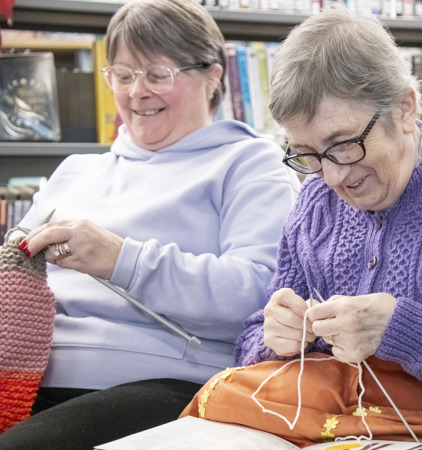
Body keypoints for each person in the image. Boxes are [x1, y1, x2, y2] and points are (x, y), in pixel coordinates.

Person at [180, 4, 422, 449]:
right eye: (307, 154)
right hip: (331, 427)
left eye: (343, 144)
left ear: (405, 109)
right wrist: (275, 336)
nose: (332, 177)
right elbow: (252, 342)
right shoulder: (315, 200)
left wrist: (398, 330)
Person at [0, 0, 300, 447]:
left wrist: (121, 259)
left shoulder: (250, 164)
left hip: (170, 381)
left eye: (158, 74)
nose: (136, 92)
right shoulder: (75, 171)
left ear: (213, 75)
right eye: (122, 75)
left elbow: (261, 295)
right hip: (26, 375)